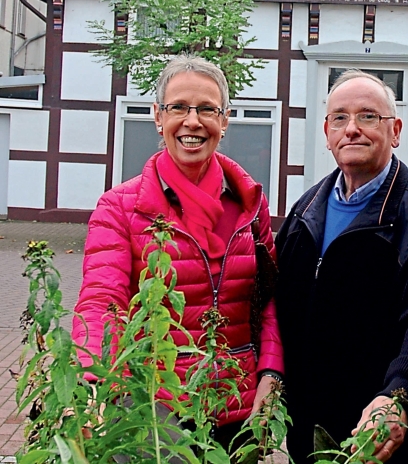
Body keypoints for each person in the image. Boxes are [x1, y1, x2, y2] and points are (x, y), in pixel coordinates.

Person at [275, 69, 408, 464]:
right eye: (339, 118)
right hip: (310, 425)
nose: (352, 128)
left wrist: (400, 395)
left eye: (368, 116)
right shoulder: (306, 211)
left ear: (394, 130)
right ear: (326, 133)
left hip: (382, 429)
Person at [73, 55, 284, 443]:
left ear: (224, 120)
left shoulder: (250, 205)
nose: (192, 121)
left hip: (238, 408)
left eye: (207, 109)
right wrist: (94, 379)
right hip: (155, 408)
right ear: (158, 117)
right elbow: (103, 301)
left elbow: (266, 301)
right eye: (178, 108)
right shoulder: (119, 207)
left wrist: (271, 376)